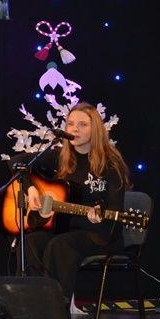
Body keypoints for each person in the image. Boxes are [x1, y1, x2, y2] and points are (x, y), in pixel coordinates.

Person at [23, 102, 130, 307]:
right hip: (66, 231)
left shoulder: (111, 164)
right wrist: (31, 189)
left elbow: (115, 211)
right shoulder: (60, 158)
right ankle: (35, 304)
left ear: (95, 129)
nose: (74, 129)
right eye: (70, 124)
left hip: (101, 235)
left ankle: (57, 309)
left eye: (82, 124)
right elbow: (16, 163)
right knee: (31, 241)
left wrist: (100, 215)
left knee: (60, 245)